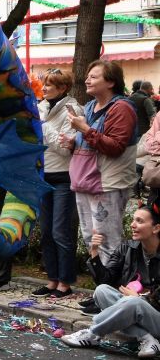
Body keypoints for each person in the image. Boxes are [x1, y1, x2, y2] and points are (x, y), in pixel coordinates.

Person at [60, 199, 160, 359]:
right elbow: (105, 280)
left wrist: (142, 299)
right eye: (133, 220)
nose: (133, 225)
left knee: (133, 302)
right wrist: (94, 252)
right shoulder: (127, 248)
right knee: (102, 291)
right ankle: (147, 338)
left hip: (156, 316)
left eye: (139, 221)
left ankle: (93, 333)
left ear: (156, 228)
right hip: (131, 305)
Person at [67, 60, 138, 257]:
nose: (87, 80)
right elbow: (91, 142)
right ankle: (102, 284)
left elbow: (115, 147)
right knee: (91, 238)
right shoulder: (90, 106)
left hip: (107, 183)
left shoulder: (121, 108)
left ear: (111, 82)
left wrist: (84, 129)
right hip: (84, 181)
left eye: (94, 77)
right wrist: (73, 141)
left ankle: (112, 286)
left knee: (107, 240)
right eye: (88, 76)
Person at [35, 69, 81, 299]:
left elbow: (65, 149)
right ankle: (52, 279)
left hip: (64, 176)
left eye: (49, 85)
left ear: (62, 88)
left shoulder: (72, 110)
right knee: (45, 232)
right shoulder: (41, 106)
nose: (43, 89)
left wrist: (43, 126)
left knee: (60, 231)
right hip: (43, 175)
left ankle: (66, 281)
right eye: (44, 85)